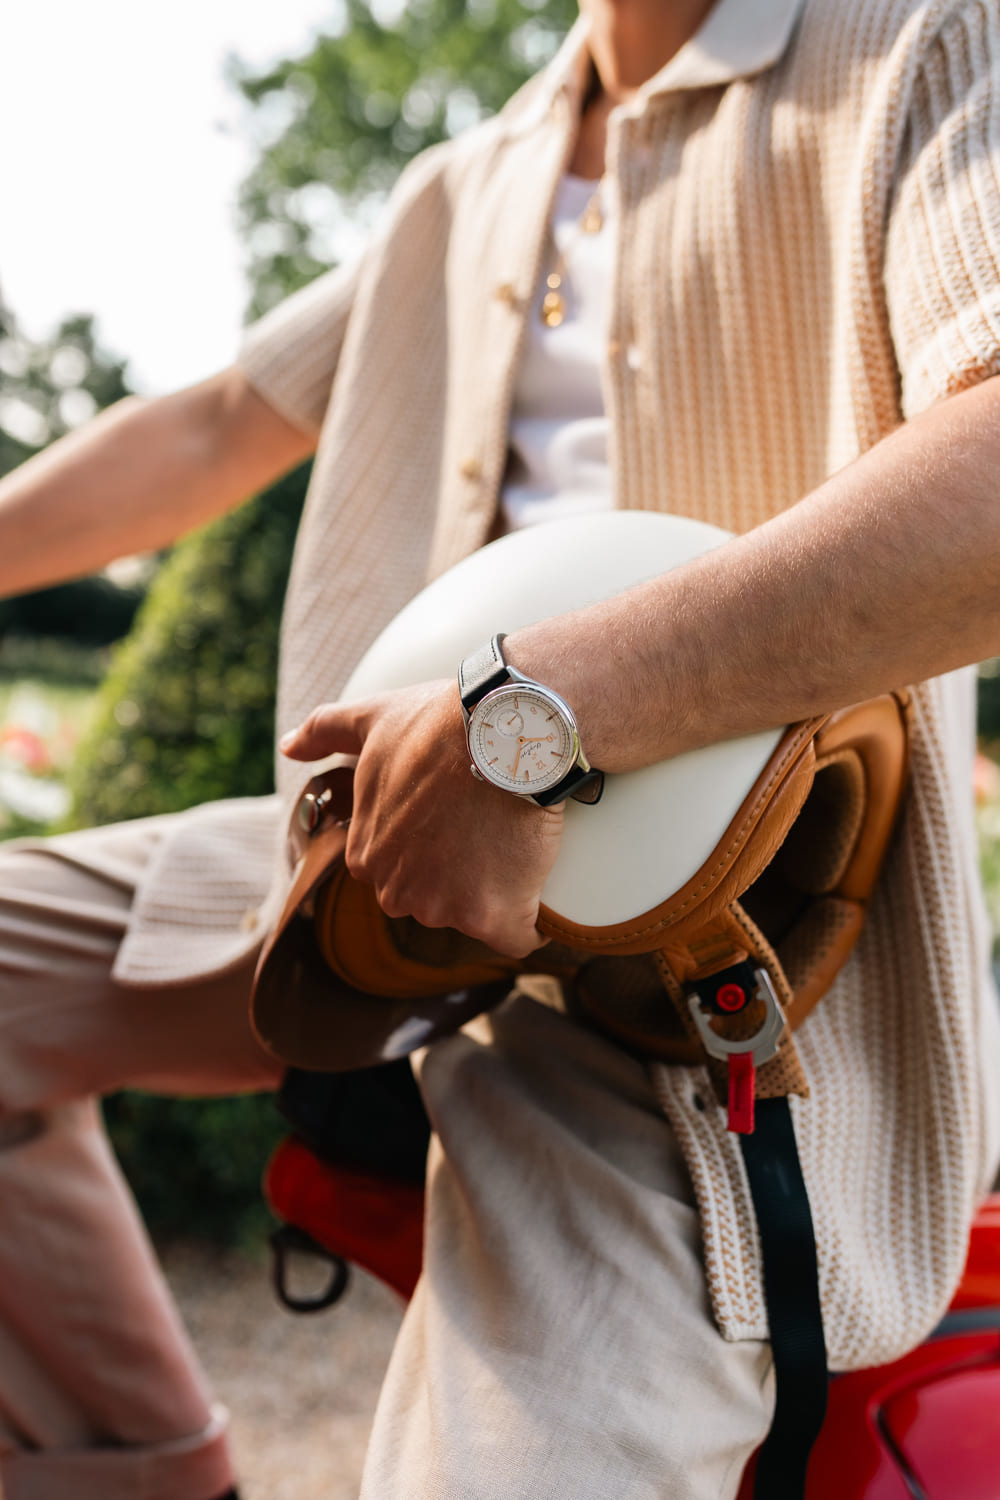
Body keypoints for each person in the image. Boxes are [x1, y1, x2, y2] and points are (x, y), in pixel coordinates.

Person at [1, 0, 999, 1495]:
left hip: (726, 972)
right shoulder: (469, 184)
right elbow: (213, 424)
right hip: (366, 861)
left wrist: (532, 722)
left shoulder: (925, 41)